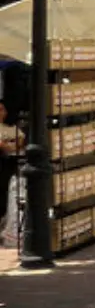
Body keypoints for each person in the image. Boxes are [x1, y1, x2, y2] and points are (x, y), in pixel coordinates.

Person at [0, 103, 25, 247]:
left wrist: (10, 144)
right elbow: (2, 146)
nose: (1, 112)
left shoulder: (11, 128)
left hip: (9, 165)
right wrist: (10, 144)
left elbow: (21, 139)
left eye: (3, 109)